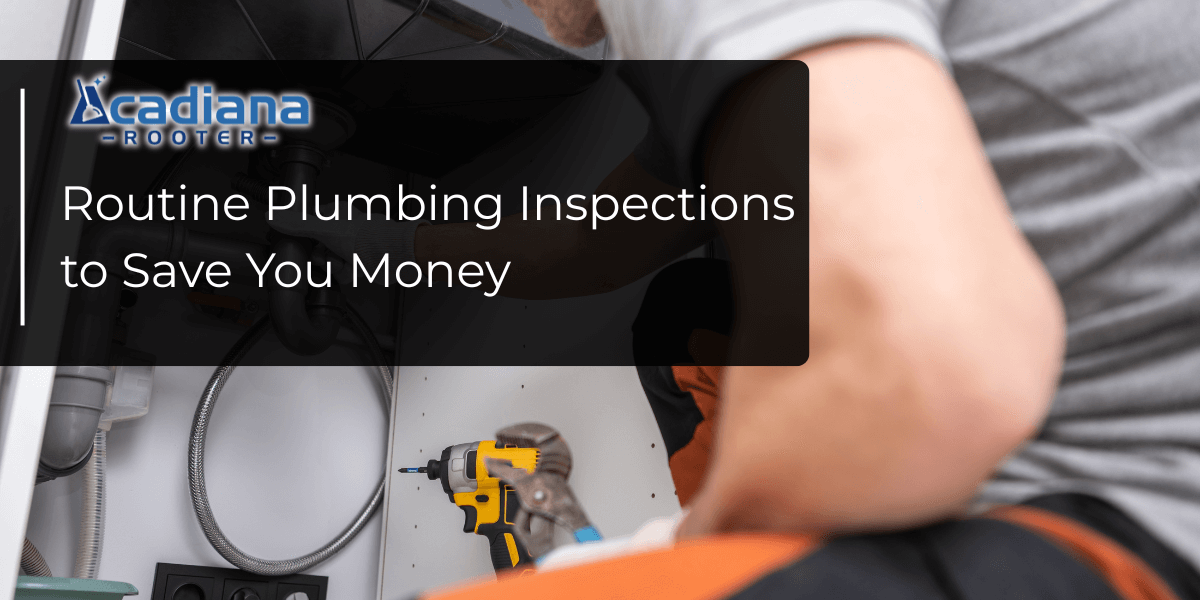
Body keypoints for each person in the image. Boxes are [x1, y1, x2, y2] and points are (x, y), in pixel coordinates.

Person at [281, 0, 1200, 597]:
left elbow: (916, 362)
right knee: (684, 314)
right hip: (1093, 490)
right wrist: (368, 245)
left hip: (1125, 536)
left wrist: (680, 552)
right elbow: (591, 242)